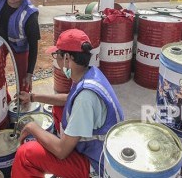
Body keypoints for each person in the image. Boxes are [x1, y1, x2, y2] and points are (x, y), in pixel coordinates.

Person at [12, 29, 124, 177]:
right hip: (98, 148)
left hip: (96, 163)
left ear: (67, 58)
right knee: (59, 110)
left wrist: (33, 127)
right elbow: (69, 99)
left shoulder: (85, 98)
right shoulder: (90, 73)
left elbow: (61, 152)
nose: (56, 60)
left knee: (26, 153)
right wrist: (33, 97)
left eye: (56, 55)